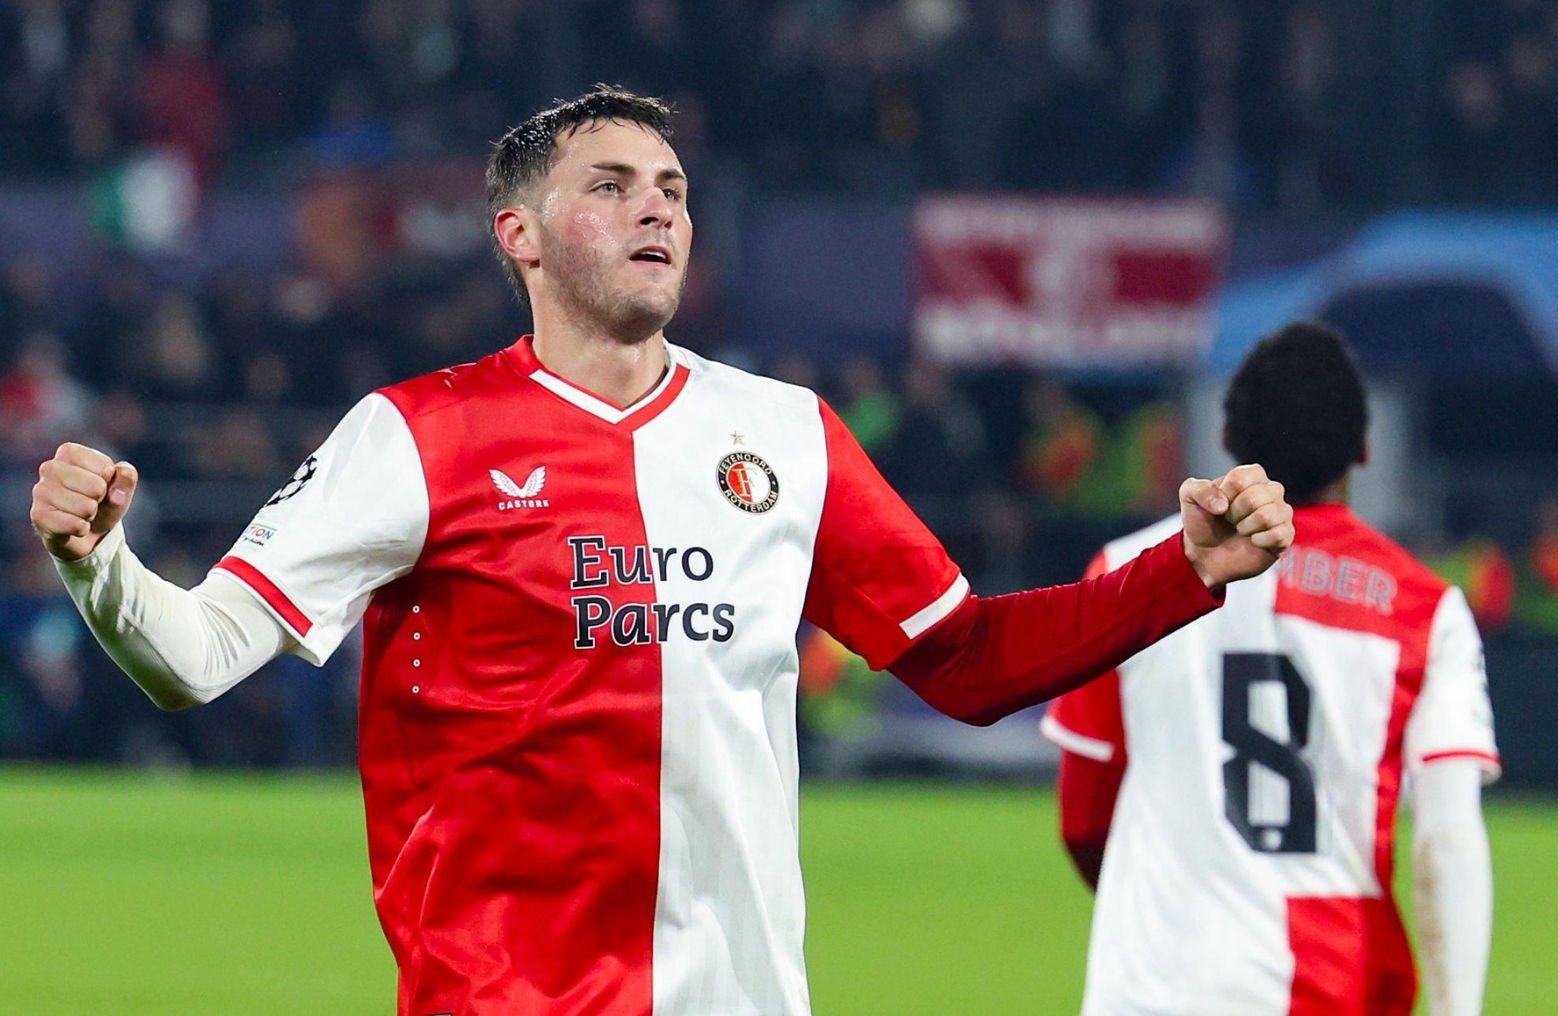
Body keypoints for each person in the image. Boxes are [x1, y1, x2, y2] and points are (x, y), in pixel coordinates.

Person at [29, 87, 1294, 1016]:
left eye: (673, 190)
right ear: (519, 236)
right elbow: (196, 656)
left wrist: (1181, 574)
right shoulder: (416, 435)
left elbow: (963, 662)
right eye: (611, 185)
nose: (656, 208)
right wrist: (101, 566)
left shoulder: (784, 435)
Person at [1043, 323, 1498, 1016]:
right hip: (1332, 983)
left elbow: (1082, 818)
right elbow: (1446, 837)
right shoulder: (1424, 609)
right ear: (1363, 448)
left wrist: (1162, 910)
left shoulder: (1123, 572)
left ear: (1228, 438)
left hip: (1152, 986)